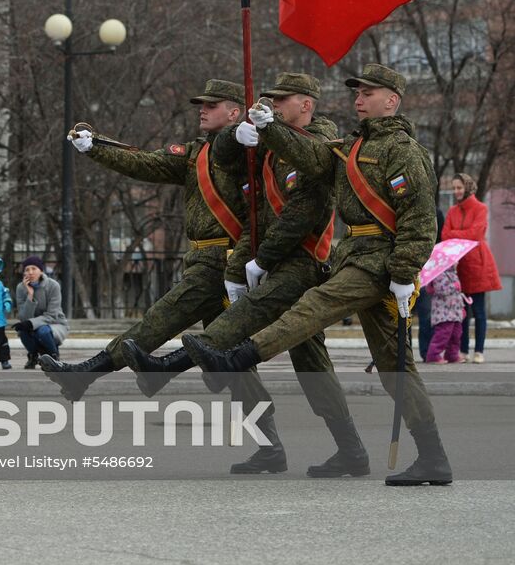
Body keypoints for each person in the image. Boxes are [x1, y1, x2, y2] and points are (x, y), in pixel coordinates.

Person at [185, 63, 451, 486]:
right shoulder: (351, 146)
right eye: (357, 93)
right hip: (357, 257)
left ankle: (240, 356)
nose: (358, 99)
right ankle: (433, 458)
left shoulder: (403, 150)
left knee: (314, 305)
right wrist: (271, 128)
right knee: (394, 366)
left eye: (367, 93)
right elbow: (311, 157)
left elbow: (419, 218)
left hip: (378, 261)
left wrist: (404, 271)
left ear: (391, 101)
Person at [156, 72, 365, 478]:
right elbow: (235, 176)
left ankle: (172, 363)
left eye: (282, 99)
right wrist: (238, 136)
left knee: (243, 329)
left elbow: (301, 209)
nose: (274, 105)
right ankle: (333, 450)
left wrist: (262, 260)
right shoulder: (271, 146)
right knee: (308, 363)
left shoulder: (322, 141)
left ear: (306, 104)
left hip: (303, 263)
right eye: (272, 99)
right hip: (272, 260)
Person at [42, 79, 246, 401]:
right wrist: (96, 147)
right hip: (202, 258)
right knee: (227, 356)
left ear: (234, 113)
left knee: (158, 322)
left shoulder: (245, 150)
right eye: (201, 105)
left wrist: (245, 134)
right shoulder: (197, 153)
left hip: (224, 261)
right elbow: (146, 162)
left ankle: (86, 374)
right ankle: (265, 428)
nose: (202, 110)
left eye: (212, 105)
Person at [445, 172, 500, 363]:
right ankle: (463, 351)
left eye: (459, 187)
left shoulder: (480, 208)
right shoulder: (452, 211)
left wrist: (456, 233)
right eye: (454, 188)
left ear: (467, 188)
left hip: (477, 264)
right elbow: (445, 234)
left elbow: (476, 234)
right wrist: (462, 234)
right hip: (458, 266)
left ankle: (479, 351)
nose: (456, 191)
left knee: (478, 311)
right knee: (462, 313)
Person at [14, 256, 68, 368]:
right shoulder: (21, 288)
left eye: (34, 268)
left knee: (42, 331)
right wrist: (30, 295)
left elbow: (52, 315)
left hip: (55, 324)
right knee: (22, 331)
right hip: (33, 325)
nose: (30, 272)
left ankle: (54, 357)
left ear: (41, 271)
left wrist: (31, 323)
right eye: (27, 269)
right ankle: (33, 356)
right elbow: (24, 317)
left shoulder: (53, 285)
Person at [424, 267, 464, 365]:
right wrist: (454, 286)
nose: (457, 263)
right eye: (456, 262)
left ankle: (452, 354)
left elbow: (457, 294)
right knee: (442, 334)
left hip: (455, 310)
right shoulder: (439, 273)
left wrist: (461, 307)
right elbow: (441, 289)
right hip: (443, 312)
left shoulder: (453, 273)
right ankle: (433, 355)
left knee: (456, 334)